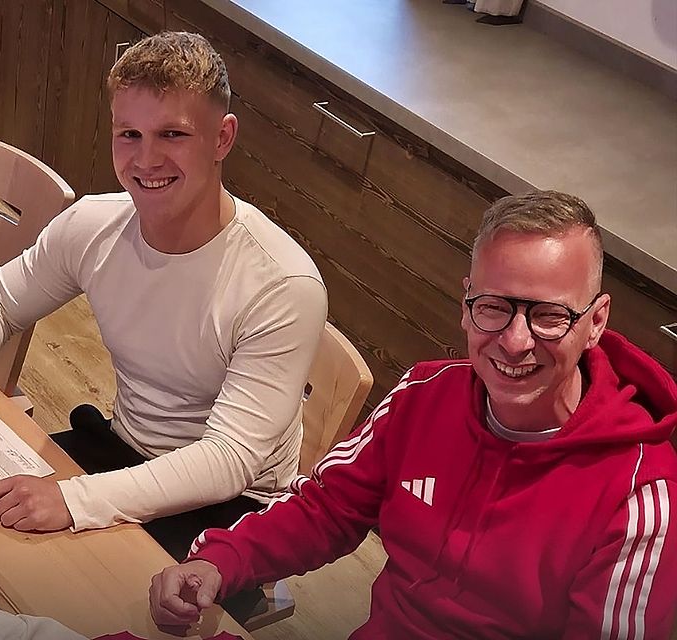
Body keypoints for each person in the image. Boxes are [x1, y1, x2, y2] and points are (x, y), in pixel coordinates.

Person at [150, 191, 677, 638]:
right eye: (494, 306)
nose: (515, 342)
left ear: (596, 321)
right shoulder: (425, 394)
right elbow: (329, 507)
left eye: (549, 315)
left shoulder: (641, 498)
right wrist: (218, 560)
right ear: (466, 303)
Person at [0, 32, 327, 557]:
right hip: (121, 449)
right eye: (129, 134)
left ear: (222, 138)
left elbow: (230, 458)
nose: (146, 160)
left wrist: (75, 501)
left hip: (233, 506)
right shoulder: (95, 225)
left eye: (172, 135)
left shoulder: (282, 285)